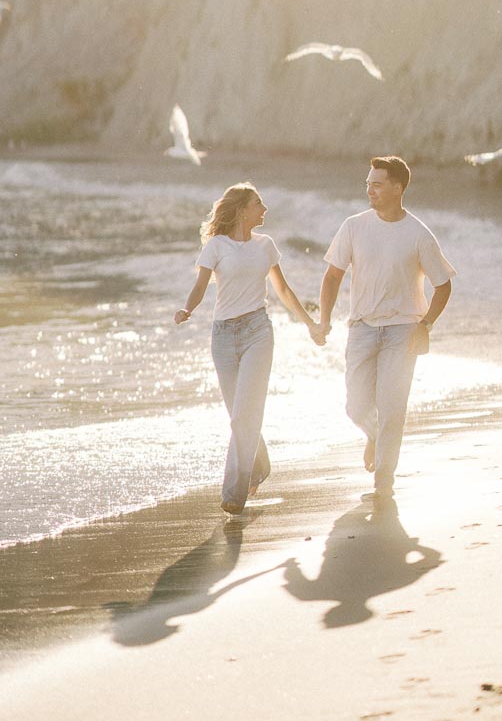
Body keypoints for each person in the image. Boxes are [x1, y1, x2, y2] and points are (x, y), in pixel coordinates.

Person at [175, 183, 324, 514]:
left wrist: (309, 324)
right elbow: (200, 286)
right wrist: (187, 309)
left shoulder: (265, 246)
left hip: (258, 331)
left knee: (246, 415)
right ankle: (259, 465)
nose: (265, 208)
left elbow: (282, 289)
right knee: (239, 416)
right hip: (223, 336)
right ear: (242, 210)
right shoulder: (216, 246)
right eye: (259, 203)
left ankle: (233, 492)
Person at [318, 156, 456, 503]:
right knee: (355, 404)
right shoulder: (354, 226)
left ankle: (384, 481)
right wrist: (324, 319)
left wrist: (426, 324)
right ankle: (376, 436)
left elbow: (443, 285)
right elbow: (332, 276)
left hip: (403, 330)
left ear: (398, 188)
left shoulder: (418, 234)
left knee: (393, 407)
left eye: (377, 184)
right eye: (368, 184)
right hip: (362, 327)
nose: (369, 190)